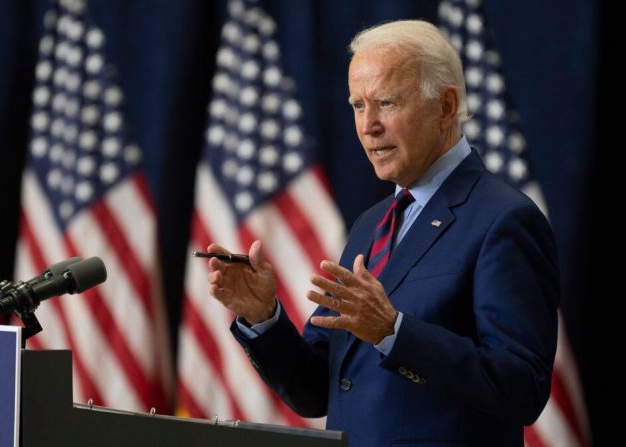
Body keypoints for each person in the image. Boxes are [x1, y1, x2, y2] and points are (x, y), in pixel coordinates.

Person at [205, 19, 558, 447]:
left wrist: (394, 332)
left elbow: (523, 388)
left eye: (387, 102)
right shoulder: (371, 224)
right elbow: (318, 389)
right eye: (358, 105)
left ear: (446, 106)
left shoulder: (503, 220)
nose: (368, 125)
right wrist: (263, 316)